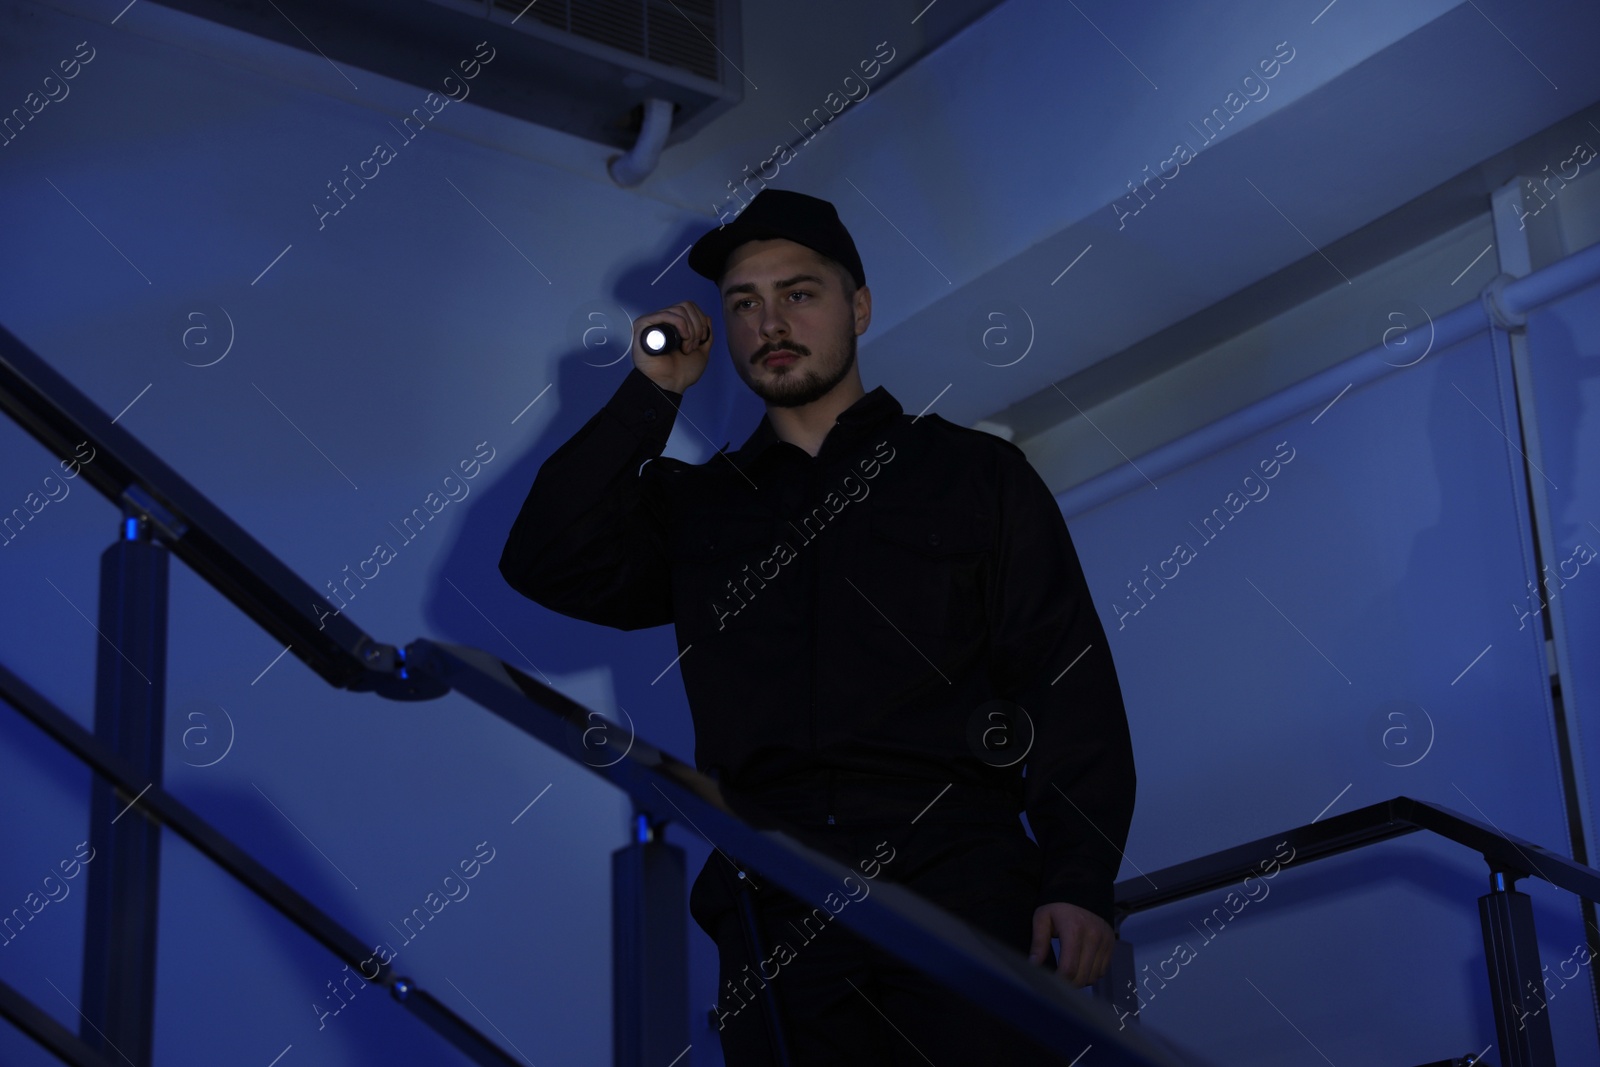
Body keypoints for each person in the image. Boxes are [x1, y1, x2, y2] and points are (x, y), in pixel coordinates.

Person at [498, 188, 1135, 1064]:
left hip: (958, 881)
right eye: (744, 304)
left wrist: (1079, 878)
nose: (771, 322)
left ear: (858, 307)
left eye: (799, 293)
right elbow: (543, 558)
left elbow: (1065, 679)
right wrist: (651, 397)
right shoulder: (700, 510)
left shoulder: (972, 474)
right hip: (776, 902)